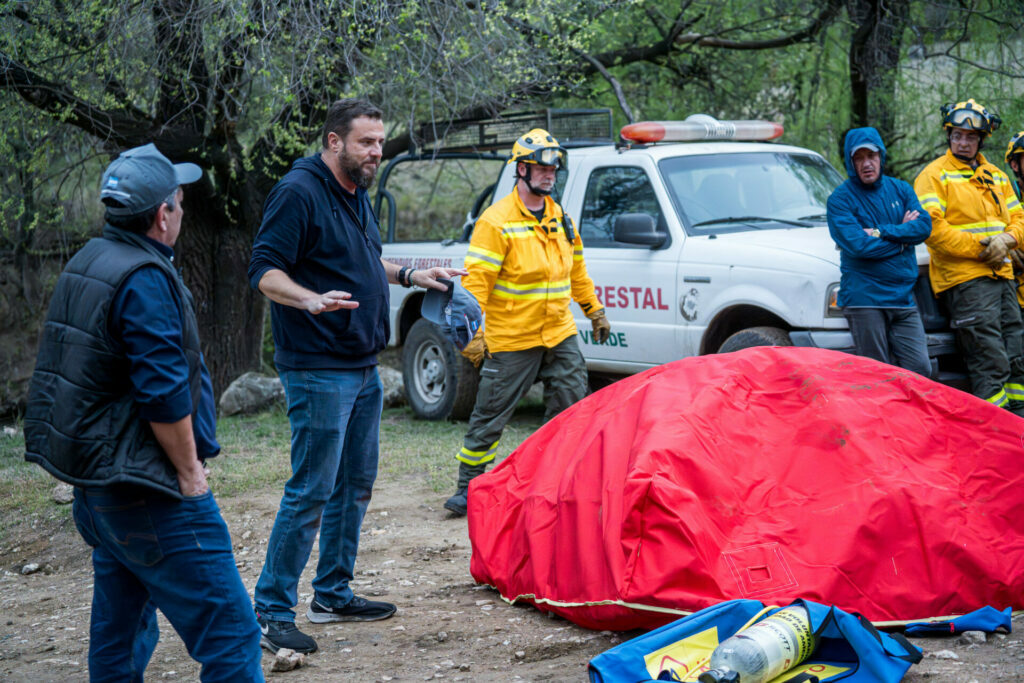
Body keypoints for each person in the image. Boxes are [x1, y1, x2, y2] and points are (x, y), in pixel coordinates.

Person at [22, 144, 263, 681]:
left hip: (100, 492)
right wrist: (189, 472)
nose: (182, 210)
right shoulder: (144, 278)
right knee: (231, 635)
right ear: (162, 216)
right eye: (179, 202)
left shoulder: (89, 259)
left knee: (120, 634)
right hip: (148, 493)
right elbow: (162, 394)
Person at [248, 98, 463, 654]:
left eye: (380, 142)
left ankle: (331, 595)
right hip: (318, 369)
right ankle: (270, 612)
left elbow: (367, 263)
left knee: (355, 485)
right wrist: (310, 299)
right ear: (333, 141)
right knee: (312, 490)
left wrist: (414, 273)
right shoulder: (299, 192)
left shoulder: (354, 192)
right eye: (366, 142)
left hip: (361, 366)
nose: (377, 152)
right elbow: (265, 271)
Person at [443, 127, 610, 517]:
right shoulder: (496, 222)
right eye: (540, 169)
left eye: (554, 169)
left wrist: (593, 309)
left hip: (559, 332)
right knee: (490, 415)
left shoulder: (561, 219)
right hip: (513, 337)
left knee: (570, 406)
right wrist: (473, 338)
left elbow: (577, 271)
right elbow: (474, 288)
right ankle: (468, 487)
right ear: (521, 170)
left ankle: (551, 479)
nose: (549, 175)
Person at [913, 99, 1024, 412]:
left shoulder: (997, 176)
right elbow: (933, 230)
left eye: (970, 137)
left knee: (1016, 356)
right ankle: (995, 430)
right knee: (989, 360)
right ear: (949, 136)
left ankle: (1018, 425)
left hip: (1001, 276)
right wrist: (985, 249)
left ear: (981, 140)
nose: (963, 142)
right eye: (957, 136)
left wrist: (1008, 239)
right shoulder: (934, 175)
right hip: (965, 280)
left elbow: (1020, 218)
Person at [826, 127, 933, 375]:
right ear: (850, 162)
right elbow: (859, 246)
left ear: (881, 157)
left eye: (871, 156)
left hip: (903, 297)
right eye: (859, 158)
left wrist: (880, 232)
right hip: (865, 300)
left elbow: (924, 227)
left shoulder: (901, 190)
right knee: (878, 376)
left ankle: (908, 416)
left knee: (920, 370)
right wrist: (904, 237)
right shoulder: (840, 200)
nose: (866, 164)